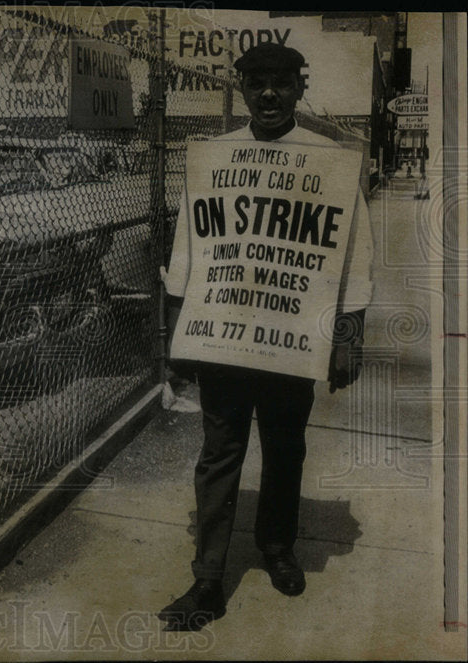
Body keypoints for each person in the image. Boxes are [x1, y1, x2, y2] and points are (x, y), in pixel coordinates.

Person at [158, 42, 374, 631]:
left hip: (292, 339)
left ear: (300, 88)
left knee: (285, 448)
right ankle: (207, 578)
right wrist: (175, 337)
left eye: (280, 82)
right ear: (244, 90)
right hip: (225, 338)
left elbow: (352, 254)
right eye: (257, 84)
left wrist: (348, 335)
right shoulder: (214, 159)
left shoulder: (329, 160)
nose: (270, 94)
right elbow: (187, 251)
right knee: (219, 454)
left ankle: (277, 548)